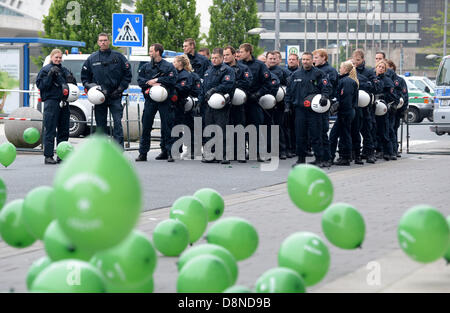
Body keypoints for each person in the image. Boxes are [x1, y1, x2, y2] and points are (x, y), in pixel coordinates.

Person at [81, 33, 132, 148]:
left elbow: (128, 75)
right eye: (101, 41)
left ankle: (119, 149)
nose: (103, 42)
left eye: (105, 40)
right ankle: (102, 149)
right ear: (98, 42)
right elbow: (85, 78)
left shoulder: (118, 57)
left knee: (117, 123)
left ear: (109, 42)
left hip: (115, 95)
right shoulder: (92, 59)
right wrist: (91, 88)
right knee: (100, 125)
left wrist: (120, 89)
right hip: (99, 97)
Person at [285, 52, 332, 166]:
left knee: (316, 135)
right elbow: (289, 92)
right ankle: (301, 159)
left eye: (308, 59)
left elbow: (326, 87)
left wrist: (325, 97)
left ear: (312, 61)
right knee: (300, 135)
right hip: (299, 110)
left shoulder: (319, 74)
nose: (305, 61)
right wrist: (287, 105)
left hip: (314, 111)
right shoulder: (295, 75)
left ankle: (319, 159)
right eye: (304, 59)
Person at [136, 43, 177, 162]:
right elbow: (140, 80)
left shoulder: (169, 66)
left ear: (158, 52)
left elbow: (172, 79)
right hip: (150, 100)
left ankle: (168, 152)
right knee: (146, 126)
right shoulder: (146, 67)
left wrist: (158, 80)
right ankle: (142, 153)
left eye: (151, 51)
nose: (150, 53)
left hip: (165, 100)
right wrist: (150, 83)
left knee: (167, 126)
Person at [36, 49, 76, 165]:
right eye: (56, 57)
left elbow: (72, 86)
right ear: (51, 57)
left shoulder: (64, 70)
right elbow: (42, 86)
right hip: (51, 102)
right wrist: (50, 75)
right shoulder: (45, 70)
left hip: (64, 102)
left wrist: (72, 80)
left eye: (60, 57)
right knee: (50, 130)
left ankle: (62, 155)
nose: (58, 59)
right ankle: (48, 156)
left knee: (64, 130)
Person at [239, 43, 276, 162]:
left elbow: (268, 82)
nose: (240, 54)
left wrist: (259, 94)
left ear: (249, 52)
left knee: (256, 127)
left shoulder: (259, 65)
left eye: (242, 51)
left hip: (254, 100)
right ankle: (244, 152)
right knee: (241, 127)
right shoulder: (238, 65)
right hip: (241, 100)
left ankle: (260, 153)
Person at [199, 48, 236, 164]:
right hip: (209, 105)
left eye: (216, 58)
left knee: (222, 130)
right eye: (212, 58)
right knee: (209, 130)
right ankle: (210, 154)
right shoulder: (208, 70)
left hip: (221, 104)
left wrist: (215, 90)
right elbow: (203, 87)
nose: (214, 60)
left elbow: (228, 84)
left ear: (221, 58)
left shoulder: (227, 70)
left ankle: (224, 155)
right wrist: (200, 102)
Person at [223, 46, 253, 162]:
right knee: (227, 127)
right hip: (225, 102)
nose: (225, 57)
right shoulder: (221, 68)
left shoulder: (243, 68)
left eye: (227, 55)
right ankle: (229, 152)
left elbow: (248, 82)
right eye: (224, 55)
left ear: (234, 55)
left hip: (239, 102)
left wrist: (233, 83)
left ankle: (240, 152)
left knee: (239, 127)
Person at [352, 49, 381, 164]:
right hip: (353, 106)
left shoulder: (369, 72)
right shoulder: (350, 69)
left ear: (363, 60)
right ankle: (355, 154)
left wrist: (361, 82)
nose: (356, 62)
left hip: (365, 107)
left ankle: (369, 153)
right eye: (354, 60)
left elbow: (375, 86)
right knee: (353, 131)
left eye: (358, 60)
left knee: (367, 131)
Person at [329, 61, 359, 166]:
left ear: (345, 69)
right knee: (340, 135)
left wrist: (339, 108)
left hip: (345, 112)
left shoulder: (346, 82)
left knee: (342, 135)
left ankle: (344, 157)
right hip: (346, 112)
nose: (339, 70)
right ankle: (342, 157)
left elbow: (346, 99)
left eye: (341, 68)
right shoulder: (347, 81)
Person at [313, 49, 338, 167]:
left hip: (324, 104)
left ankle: (327, 158)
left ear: (324, 58)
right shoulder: (313, 70)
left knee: (323, 132)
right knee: (314, 133)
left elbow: (331, 87)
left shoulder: (330, 71)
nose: (314, 60)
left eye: (316, 57)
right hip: (313, 105)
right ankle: (318, 157)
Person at [168, 54, 195, 162]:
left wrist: (172, 88)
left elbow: (183, 88)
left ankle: (176, 150)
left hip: (179, 103)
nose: (173, 64)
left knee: (177, 127)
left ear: (180, 63)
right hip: (172, 103)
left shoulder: (185, 75)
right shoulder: (174, 73)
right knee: (172, 126)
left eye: (174, 62)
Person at [374, 60, 399, 161]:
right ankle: (378, 150)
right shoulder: (373, 78)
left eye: (382, 67)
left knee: (386, 130)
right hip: (374, 108)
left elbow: (393, 95)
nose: (380, 68)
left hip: (384, 108)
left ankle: (390, 151)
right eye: (379, 67)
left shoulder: (387, 80)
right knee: (374, 131)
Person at [267, 51, 290, 159]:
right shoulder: (264, 70)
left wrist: (286, 104)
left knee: (279, 127)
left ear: (278, 60)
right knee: (267, 127)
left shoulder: (284, 71)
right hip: (266, 103)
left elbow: (289, 87)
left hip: (280, 104)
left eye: (274, 58)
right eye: (270, 58)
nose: (272, 60)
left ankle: (282, 150)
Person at [386, 59, 408, 159]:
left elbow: (404, 96)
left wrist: (403, 110)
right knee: (388, 129)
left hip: (397, 109)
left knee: (393, 129)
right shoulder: (385, 79)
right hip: (387, 109)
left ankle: (394, 150)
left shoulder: (399, 80)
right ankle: (387, 150)